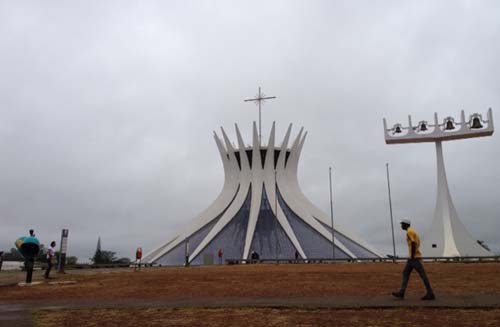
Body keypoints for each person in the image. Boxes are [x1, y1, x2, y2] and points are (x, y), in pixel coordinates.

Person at [392, 219, 435, 300]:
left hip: (414, 258)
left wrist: (411, 256)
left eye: (402, 224)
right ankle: (401, 292)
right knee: (405, 273)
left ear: (405, 224)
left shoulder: (409, 232)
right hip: (412, 258)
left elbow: (413, 243)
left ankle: (430, 293)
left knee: (423, 275)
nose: (401, 226)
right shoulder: (411, 231)